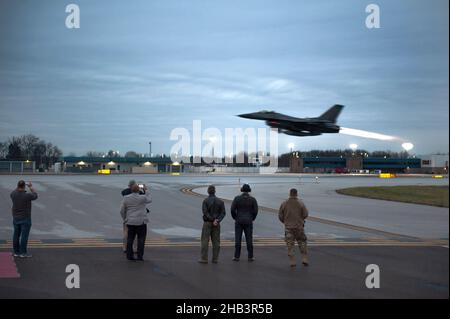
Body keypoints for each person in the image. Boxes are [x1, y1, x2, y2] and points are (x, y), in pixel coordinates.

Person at [120, 183, 152, 261]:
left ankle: (129, 256)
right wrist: (146, 189)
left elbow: (122, 210)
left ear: (131, 190)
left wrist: (125, 218)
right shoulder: (143, 198)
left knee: (130, 239)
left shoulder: (126, 198)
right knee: (141, 240)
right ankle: (140, 256)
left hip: (130, 221)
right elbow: (150, 199)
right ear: (139, 190)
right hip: (141, 222)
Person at [278, 188, 309, 267]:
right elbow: (305, 214)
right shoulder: (301, 203)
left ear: (290, 194)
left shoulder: (284, 203)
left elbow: (280, 216)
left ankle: (292, 261)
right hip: (299, 227)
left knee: (290, 245)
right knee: (302, 242)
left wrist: (285, 222)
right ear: (296, 194)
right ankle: (304, 258)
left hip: (288, 227)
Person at [10, 180, 38, 258]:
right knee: (24, 236)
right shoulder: (27, 196)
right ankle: (23, 253)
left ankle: (16, 252)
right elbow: (35, 195)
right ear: (24, 186)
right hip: (25, 218)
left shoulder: (13, 194)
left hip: (16, 218)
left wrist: (20, 185)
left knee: (16, 235)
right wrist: (30, 187)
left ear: (17, 186)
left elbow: (16, 190)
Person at [230, 184, 258, 262]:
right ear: (249, 190)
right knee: (249, 239)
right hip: (249, 220)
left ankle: (236, 256)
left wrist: (235, 217)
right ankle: (250, 256)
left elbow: (232, 210)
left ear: (242, 190)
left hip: (239, 220)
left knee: (238, 238)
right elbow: (255, 211)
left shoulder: (237, 198)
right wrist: (252, 218)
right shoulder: (253, 199)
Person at [199, 185, 226, 264]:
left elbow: (205, 212)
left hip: (207, 223)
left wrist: (212, 219)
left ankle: (204, 258)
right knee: (216, 242)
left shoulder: (205, 201)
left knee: (204, 241)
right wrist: (217, 220)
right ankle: (215, 259)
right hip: (216, 223)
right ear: (215, 191)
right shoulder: (220, 201)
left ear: (208, 191)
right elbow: (223, 213)